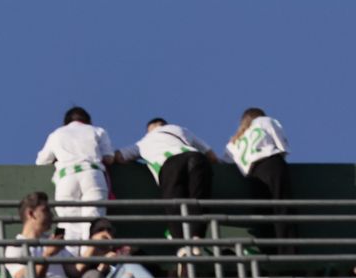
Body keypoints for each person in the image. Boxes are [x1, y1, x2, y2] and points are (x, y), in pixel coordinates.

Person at [118, 118, 218, 239]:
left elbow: (119, 156)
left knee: (174, 205)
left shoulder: (143, 143)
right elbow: (212, 156)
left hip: (170, 164)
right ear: (165, 125)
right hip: (196, 157)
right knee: (199, 199)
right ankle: (197, 237)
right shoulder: (181, 129)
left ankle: (180, 243)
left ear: (149, 130)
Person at [34, 106, 115, 240]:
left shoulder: (56, 134)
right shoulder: (97, 130)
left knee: (69, 225)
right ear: (88, 121)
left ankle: (71, 253)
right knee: (93, 221)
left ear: (66, 123)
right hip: (92, 173)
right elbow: (109, 158)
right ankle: (89, 252)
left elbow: (41, 161)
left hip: (66, 176)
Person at [225, 107, 294, 251]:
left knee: (263, 214)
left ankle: (269, 252)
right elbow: (282, 145)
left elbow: (225, 162)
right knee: (282, 207)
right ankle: (288, 251)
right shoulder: (265, 121)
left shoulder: (234, 141)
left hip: (253, 175)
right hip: (271, 164)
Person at [70, 218, 167, 278]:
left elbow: (155, 269)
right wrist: (102, 266)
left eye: (109, 230)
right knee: (126, 261)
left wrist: (132, 253)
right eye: (100, 230)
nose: (105, 233)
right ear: (92, 236)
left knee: (128, 277)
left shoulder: (120, 252)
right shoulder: (88, 255)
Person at [2, 192, 70, 278]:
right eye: (46, 210)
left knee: (92, 276)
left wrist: (96, 251)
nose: (51, 215)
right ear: (31, 214)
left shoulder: (53, 240)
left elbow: (75, 271)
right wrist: (47, 255)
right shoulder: (15, 247)